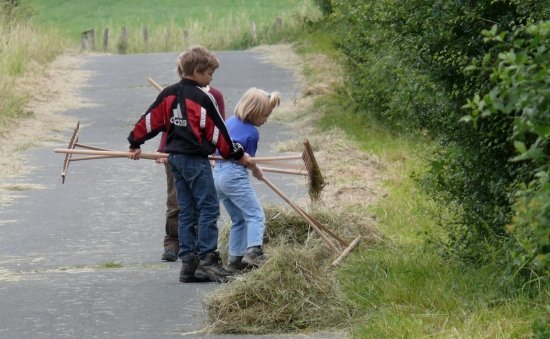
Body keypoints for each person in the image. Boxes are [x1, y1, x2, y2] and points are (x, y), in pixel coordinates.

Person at [127, 46, 262, 283]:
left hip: (175, 160)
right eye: (210, 74)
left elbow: (150, 120)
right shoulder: (203, 98)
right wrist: (237, 155)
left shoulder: (168, 94)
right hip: (195, 160)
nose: (211, 79)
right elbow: (218, 133)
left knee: (187, 210)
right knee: (208, 208)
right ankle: (208, 261)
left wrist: (135, 142)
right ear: (198, 71)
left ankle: (188, 264)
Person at [213, 87, 281, 272]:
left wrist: (253, 167)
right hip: (234, 175)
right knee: (255, 215)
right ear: (254, 112)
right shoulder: (251, 133)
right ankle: (253, 252)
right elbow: (246, 159)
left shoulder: (227, 123)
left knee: (238, 219)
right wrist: (256, 170)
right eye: (265, 115)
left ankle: (234, 260)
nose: (266, 120)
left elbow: (216, 149)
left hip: (217, 176)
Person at [158, 82, 226, 262]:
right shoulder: (175, 94)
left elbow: (220, 125)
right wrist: (162, 150)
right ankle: (173, 243)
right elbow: (168, 124)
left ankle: (194, 248)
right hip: (175, 154)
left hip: (200, 155)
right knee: (177, 202)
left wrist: (215, 154)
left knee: (199, 205)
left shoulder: (214, 96)